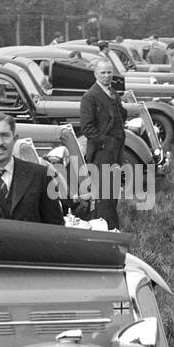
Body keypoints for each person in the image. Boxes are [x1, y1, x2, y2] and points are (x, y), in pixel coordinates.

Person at [79, 58, 127, 230]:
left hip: (116, 153)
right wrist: (106, 143)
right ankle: (109, 229)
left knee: (112, 194)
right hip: (101, 154)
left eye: (109, 72)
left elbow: (121, 117)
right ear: (95, 74)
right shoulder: (90, 97)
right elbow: (87, 128)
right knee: (104, 196)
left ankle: (108, 226)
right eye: (103, 73)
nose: (107, 76)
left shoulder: (113, 93)